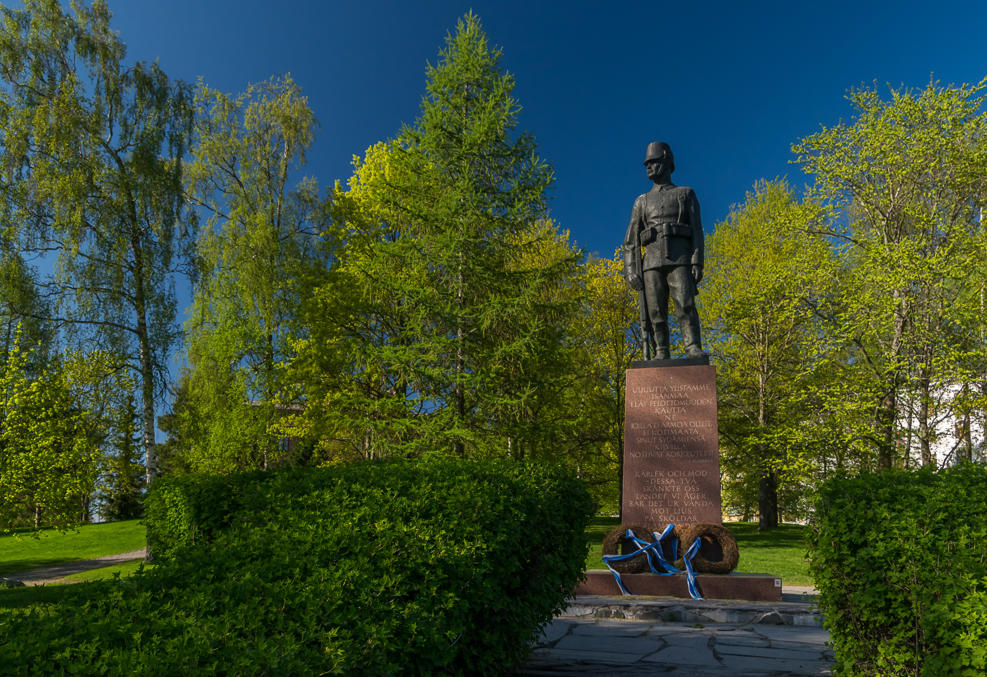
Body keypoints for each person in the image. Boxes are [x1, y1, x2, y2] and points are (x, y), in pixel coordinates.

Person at [623, 142, 705, 360]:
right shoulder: (641, 202)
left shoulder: (685, 194)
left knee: (685, 305)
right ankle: (661, 351)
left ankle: (692, 346)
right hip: (651, 262)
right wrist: (631, 270)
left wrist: (697, 261)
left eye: (654, 161)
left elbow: (697, 230)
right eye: (647, 163)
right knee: (656, 313)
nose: (648, 166)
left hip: (679, 258)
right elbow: (630, 240)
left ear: (667, 162)